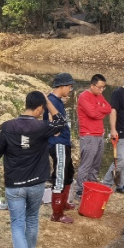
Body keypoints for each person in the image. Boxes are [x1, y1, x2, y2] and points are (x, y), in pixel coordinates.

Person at [0, 90, 68, 248]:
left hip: (14, 183)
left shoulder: (7, 126)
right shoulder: (42, 127)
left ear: (26, 104)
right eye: (42, 108)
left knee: (17, 222)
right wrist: (49, 102)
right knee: (32, 218)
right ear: (40, 109)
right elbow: (61, 122)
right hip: (36, 183)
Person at [72, 74, 111, 203]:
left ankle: (91, 187)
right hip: (88, 135)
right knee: (86, 164)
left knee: (96, 164)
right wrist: (100, 111)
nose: (101, 90)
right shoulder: (84, 96)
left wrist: (99, 110)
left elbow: (108, 108)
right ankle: (79, 190)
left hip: (99, 134)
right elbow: (93, 114)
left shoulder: (99, 95)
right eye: (99, 87)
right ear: (92, 85)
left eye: (103, 88)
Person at [45, 73, 76, 224]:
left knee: (69, 172)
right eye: (70, 87)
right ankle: (57, 214)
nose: (70, 90)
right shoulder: (51, 101)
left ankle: (63, 204)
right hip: (58, 143)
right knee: (60, 176)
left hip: (64, 142)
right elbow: (50, 121)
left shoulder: (57, 101)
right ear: (63, 86)